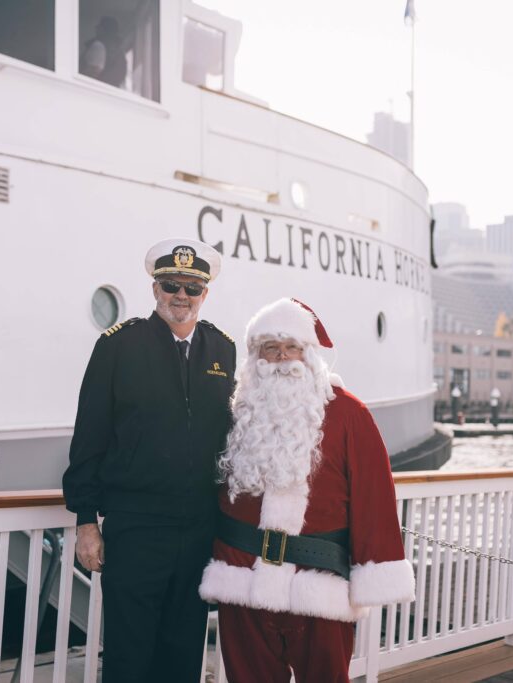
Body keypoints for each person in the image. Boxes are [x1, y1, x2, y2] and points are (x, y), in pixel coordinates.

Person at [199, 298, 415, 682]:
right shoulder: (237, 412)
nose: (282, 358)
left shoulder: (349, 413)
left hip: (319, 583)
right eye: (270, 348)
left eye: (292, 347)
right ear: (255, 357)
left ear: (309, 353)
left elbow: (374, 496)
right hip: (242, 579)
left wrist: (374, 568)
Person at [62, 239, 236, 682]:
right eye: (171, 285)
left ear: (205, 293)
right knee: (128, 657)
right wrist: (86, 521)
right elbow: (89, 438)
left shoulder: (223, 350)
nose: (181, 295)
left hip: (199, 529)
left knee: (182, 658)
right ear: (155, 289)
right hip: (137, 529)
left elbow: (232, 440)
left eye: (191, 287)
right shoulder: (118, 346)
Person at [80, 16, 128, 87]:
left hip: (94, 91)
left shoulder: (98, 46)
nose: (96, 29)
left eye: (98, 27)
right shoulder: (119, 52)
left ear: (102, 29)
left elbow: (93, 71)